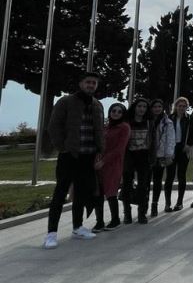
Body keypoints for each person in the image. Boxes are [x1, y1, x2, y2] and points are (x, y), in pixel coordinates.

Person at [43, 71, 105, 249]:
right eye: (88, 82)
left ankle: (77, 227)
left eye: (94, 83)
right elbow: (53, 126)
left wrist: (100, 150)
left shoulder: (97, 105)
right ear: (81, 84)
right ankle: (51, 233)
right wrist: (63, 147)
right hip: (69, 156)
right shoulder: (66, 101)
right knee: (60, 193)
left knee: (81, 193)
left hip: (88, 156)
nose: (91, 85)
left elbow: (99, 130)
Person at [92, 103, 129, 232]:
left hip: (113, 164)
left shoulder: (124, 127)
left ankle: (115, 220)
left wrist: (104, 161)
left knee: (111, 192)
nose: (116, 113)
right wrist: (97, 159)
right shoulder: (106, 127)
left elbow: (119, 148)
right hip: (99, 164)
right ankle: (99, 221)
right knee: (98, 193)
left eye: (119, 111)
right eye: (114, 110)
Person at [122, 97, 152, 224]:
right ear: (135, 107)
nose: (142, 109)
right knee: (127, 186)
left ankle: (142, 213)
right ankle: (127, 213)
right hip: (129, 156)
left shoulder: (149, 122)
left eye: (144, 107)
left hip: (144, 156)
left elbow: (152, 141)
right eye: (139, 106)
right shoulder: (127, 122)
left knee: (143, 186)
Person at [148, 98, 176, 217]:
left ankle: (154, 204)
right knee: (145, 182)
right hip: (147, 155)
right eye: (155, 107)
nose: (157, 109)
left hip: (160, 156)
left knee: (157, 181)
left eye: (159, 107)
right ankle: (143, 205)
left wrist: (169, 155)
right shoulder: (146, 120)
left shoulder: (167, 122)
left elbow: (171, 140)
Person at [164, 97, 190, 212]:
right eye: (180, 105)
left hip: (183, 149)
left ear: (186, 107)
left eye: (184, 106)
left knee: (182, 176)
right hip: (171, 149)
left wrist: (189, 144)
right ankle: (167, 203)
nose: (182, 108)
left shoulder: (189, 119)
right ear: (176, 106)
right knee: (169, 176)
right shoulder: (169, 118)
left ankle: (179, 202)